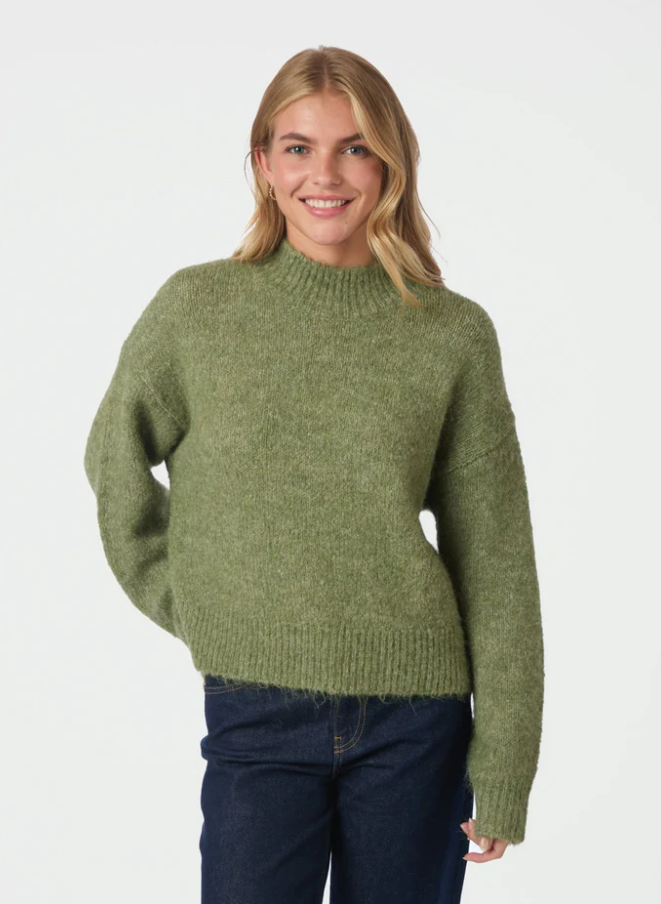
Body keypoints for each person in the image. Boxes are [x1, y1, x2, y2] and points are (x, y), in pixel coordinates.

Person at [83, 45, 545, 904]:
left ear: (391, 164)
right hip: (255, 712)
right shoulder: (198, 310)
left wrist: (506, 763)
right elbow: (114, 459)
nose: (324, 174)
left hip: (418, 718)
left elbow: (497, 559)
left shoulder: (450, 334)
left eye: (354, 147)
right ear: (263, 164)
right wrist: (198, 604)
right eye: (297, 147)